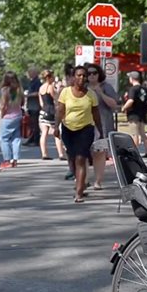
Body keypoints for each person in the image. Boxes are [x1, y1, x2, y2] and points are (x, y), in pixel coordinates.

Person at [54, 65, 103, 203]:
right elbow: (60, 111)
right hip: (68, 129)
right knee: (72, 158)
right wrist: (56, 126)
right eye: (79, 75)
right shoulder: (65, 92)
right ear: (73, 77)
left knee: (81, 159)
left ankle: (79, 192)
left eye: (84, 76)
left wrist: (101, 130)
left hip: (85, 129)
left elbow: (96, 114)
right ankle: (79, 183)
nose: (82, 78)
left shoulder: (91, 95)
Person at [86, 63, 118, 190]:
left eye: (94, 73)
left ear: (99, 74)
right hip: (85, 125)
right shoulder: (82, 88)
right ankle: (84, 179)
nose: (92, 76)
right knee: (84, 153)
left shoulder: (106, 87)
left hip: (102, 125)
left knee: (99, 153)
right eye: (89, 73)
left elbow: (114, 104)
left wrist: (100, 93)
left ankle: (98, 181)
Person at [121, 71, 147, 158]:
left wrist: (124, 108)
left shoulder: (133, 89)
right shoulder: (144, 89)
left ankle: (135, 153)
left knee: (135, 134)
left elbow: (131, 101)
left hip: (134, 114)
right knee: (143, 134)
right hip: (142, 114)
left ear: (132, 78)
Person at [38, 69, 66, 161]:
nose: (54, 78)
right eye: (53, 76)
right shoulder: (50, 87)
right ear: (49, 77)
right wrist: (58, 90)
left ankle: (44, 153)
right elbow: (56, 98)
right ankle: (61, 154)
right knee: (56, 133)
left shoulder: (41, 88)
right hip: (51, 112)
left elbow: (41, 103)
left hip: (43, 111)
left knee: (44, 133)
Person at [0, 71, 24, 168]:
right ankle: (15, 160)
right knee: (16, 138)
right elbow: (22, 102)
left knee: (4, 139)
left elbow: (3, 106)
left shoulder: (5, 90)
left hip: (8, 117)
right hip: (18, 115)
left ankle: (7, 160)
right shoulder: (19, 89)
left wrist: (2, 115)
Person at [23, 67, 42, 146]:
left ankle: (36, 140)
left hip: (35, 106)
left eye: (29, 72)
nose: (28, 74)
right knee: (31, 124)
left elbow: (38, 92)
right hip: (31, 105)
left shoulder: (37, 82)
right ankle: (31, 138)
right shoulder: (31, 82)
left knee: (35, 124)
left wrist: (28, 95)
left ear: (33, 73)